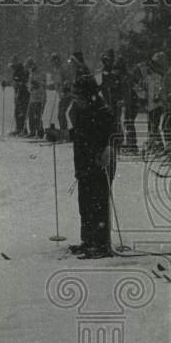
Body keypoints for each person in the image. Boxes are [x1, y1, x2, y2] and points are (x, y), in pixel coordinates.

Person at [69, 74, 116, 259]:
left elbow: (114, 135)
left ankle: (101, 243)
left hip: (100, 164)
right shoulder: (82, 111)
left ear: (88, 95)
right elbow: (81, 134)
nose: (76, 100)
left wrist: (109, 150)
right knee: (85, 202)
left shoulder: (103, 111)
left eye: (79, 97)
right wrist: (63, 134)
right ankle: (88, 240)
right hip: (84, 163)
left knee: (98, 203)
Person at [4, 54, 30, 136]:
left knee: (22, 112)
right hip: (18, 94)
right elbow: (15, 83)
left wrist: (19, 84)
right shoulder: (16, 71)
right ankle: (18, 128)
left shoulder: (22, 70)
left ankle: (22, 129)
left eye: (12, 66)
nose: (11, 68)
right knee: (17, 112)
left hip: (24, 94)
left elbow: (23, 82)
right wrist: (7, 83)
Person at [41, 52, 64, 141]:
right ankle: (53, 131)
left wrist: (60, 86)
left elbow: (65, 81)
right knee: (55, 113)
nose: (54, 63)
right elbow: (54, 84)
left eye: (55, 61)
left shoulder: (62, 69)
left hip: (63, 94)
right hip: (58, 94)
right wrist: (50, 86)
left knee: (61, 114)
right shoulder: (55, 70)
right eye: (52, 61)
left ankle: (62, 133)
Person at [26, 59, 45, 138]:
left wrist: (37, 86)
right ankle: (32, 131)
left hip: (39, 98)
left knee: (37, 115)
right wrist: (30, 87)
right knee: (31, 115)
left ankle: (40, 132)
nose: (31, 68)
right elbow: (29, 85)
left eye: (31, 66)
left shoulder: (40, 74)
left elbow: (42, 86)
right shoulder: (31, 74)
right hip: (32, 97)